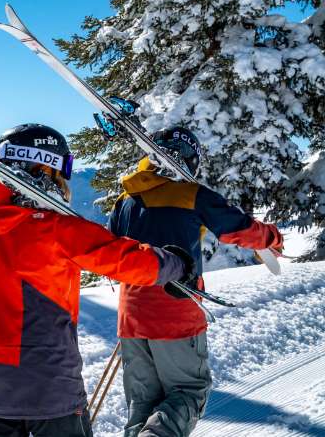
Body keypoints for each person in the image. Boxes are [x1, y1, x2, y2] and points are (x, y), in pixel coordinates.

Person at [0, 123, 196, 437]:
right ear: (45, 167)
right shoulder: (57, 229)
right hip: (50, 389)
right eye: (64, 171)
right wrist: (177, 264)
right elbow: (127, 260)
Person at [109, 125, 283, 437]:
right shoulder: (191, 195)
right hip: (175, 309)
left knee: (142, 404)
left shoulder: (125, 200)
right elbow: (238, 229)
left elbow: (112, 249)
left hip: (130, 315)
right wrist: (272, 238)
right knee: (189, 391)